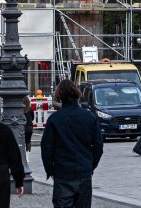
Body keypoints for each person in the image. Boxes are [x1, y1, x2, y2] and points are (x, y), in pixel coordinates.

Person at [40, 79, 103, 208]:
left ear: (59, 97)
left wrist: (50, 170)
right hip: (83, 170)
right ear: (77, 94)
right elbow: (98, 146)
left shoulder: (54, 119)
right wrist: (90, 165)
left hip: (63, 171)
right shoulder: (89, 117)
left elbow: (46, 148)